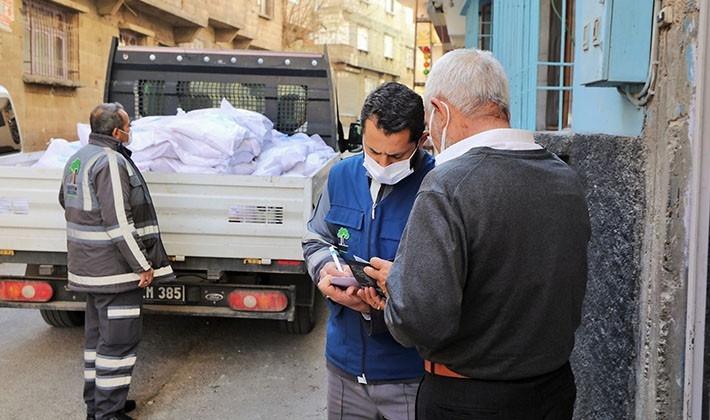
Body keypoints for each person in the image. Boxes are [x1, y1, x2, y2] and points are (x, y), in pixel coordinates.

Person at [360, 49, 591, 419]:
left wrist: (398, 284)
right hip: (553, 390)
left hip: (466, 399)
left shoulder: (447, 185)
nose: (431, 137)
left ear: (441, 111)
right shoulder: (565, 178)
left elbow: (422, 323)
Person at [302, 81, 435, 419]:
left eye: (395, 155)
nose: (382, 162)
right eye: (373, 151)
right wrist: (325, 271)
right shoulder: (342, 175)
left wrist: (394, 293)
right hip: (344, 366)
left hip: (409, 374)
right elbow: (317, 238)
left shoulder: (437, 187)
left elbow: (445, 282)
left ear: (421, 141)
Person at [59, 102, 175, 420]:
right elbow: (120, 223)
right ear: (116, 132)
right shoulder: (110, 161)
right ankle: (108, 413)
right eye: (128, 127)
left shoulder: (78, 158)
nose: (130, 132)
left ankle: (97, 406)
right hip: (115, 272)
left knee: (97, 341)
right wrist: (143, 265)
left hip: (89, 269)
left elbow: (64, 202)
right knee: (118, 343)